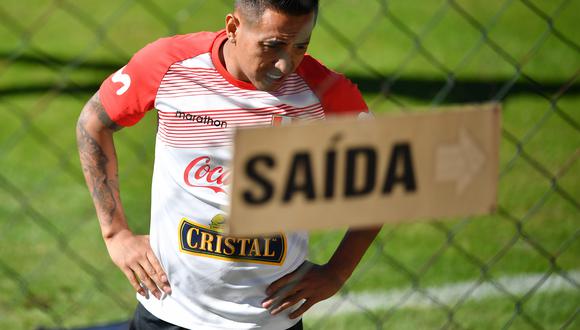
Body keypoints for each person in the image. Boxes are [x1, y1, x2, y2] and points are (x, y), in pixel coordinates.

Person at [76, 0, 381, 329]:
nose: (284, 63)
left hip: (271, 321)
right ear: (233, 28)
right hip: (168, 311)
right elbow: (93, 123)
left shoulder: (323, 92)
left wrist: (338, 271)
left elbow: (385, 174)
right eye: (273, 45)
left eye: (301, 46)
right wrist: (115, 233)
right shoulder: (170, 64)